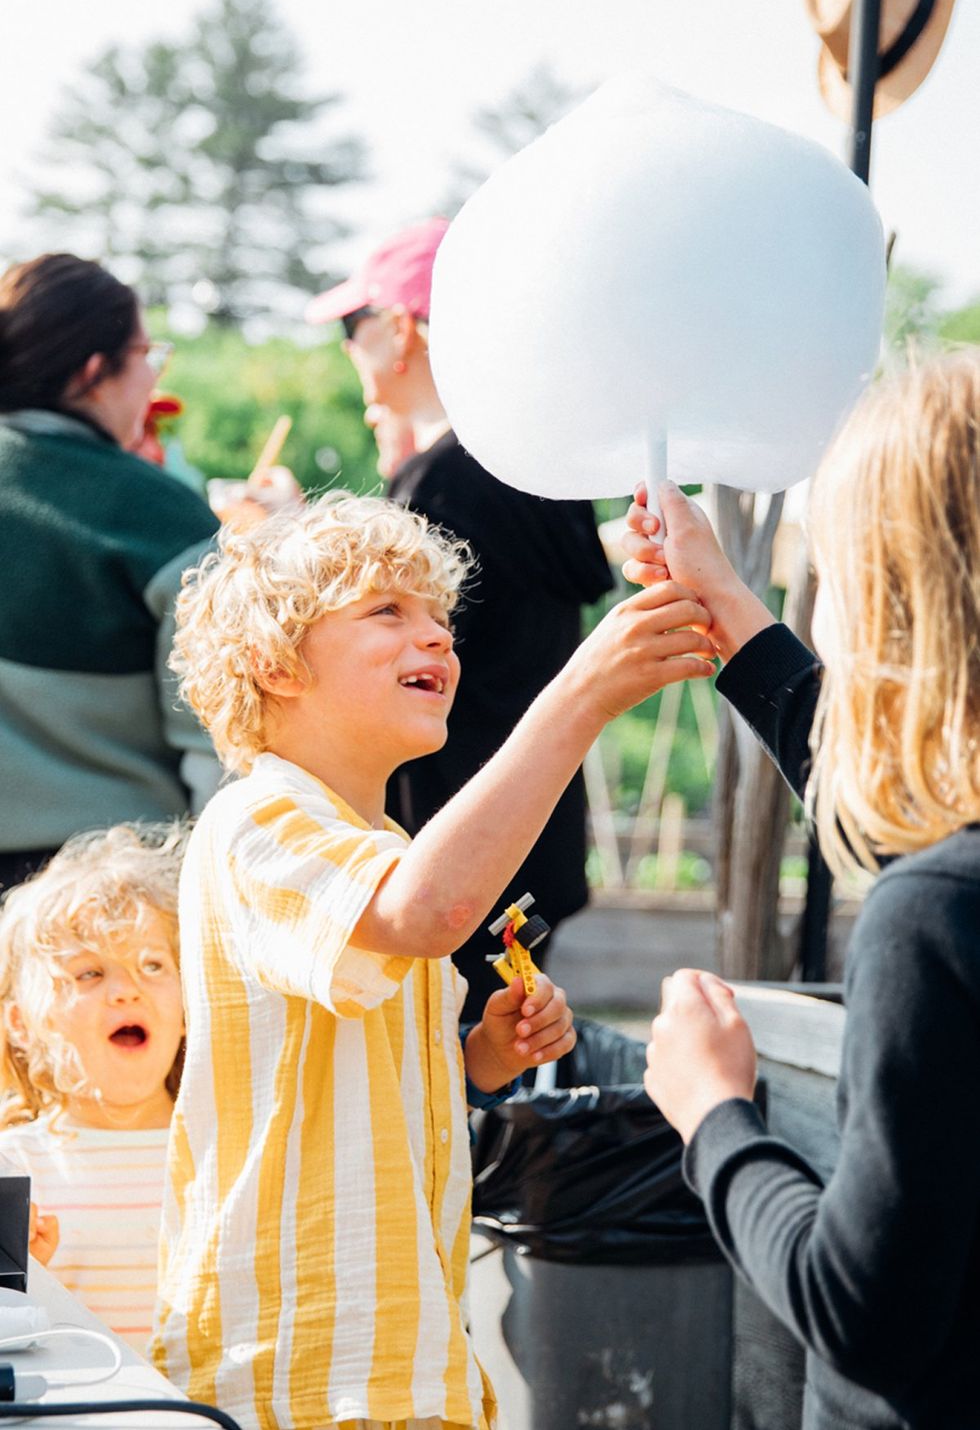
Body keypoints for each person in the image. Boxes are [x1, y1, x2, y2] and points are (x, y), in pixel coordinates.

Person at [150, 490, 713, 1430]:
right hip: (301, 1360)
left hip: (395, 1351)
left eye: (443, 618)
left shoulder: (372, 839)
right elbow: (432, 911)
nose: (440, 639)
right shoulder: (260, 817)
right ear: (270, 664)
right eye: (389, 610)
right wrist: (579, 697)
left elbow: (378, 1077)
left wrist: (485, 1057)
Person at [622, 350, 980, 1430]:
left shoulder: (932, 924)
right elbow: (899, 814)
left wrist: (711, 1114)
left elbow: (860, 1314)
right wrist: (727, 608)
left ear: (888, 600)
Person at [307, 220, 614, 1017]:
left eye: (354, 328)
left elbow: (384, 679)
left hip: (452, 844)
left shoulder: (441, 485)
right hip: (534, 830)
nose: (351, 353)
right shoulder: (540, 469)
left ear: (401, 329)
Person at [0, 254, 220, 891]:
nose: (153, 374)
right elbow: (216, 743)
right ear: (95, 371)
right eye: (147, 351)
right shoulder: (157, 515)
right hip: (118, 902)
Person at [0, 823, 186, 1351]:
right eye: (89, 974)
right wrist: (21, 1279)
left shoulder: (227, 1152)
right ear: (20, 1022)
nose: (126, 991)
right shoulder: (13, 1169)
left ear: (189, 1006)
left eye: (152, 965)